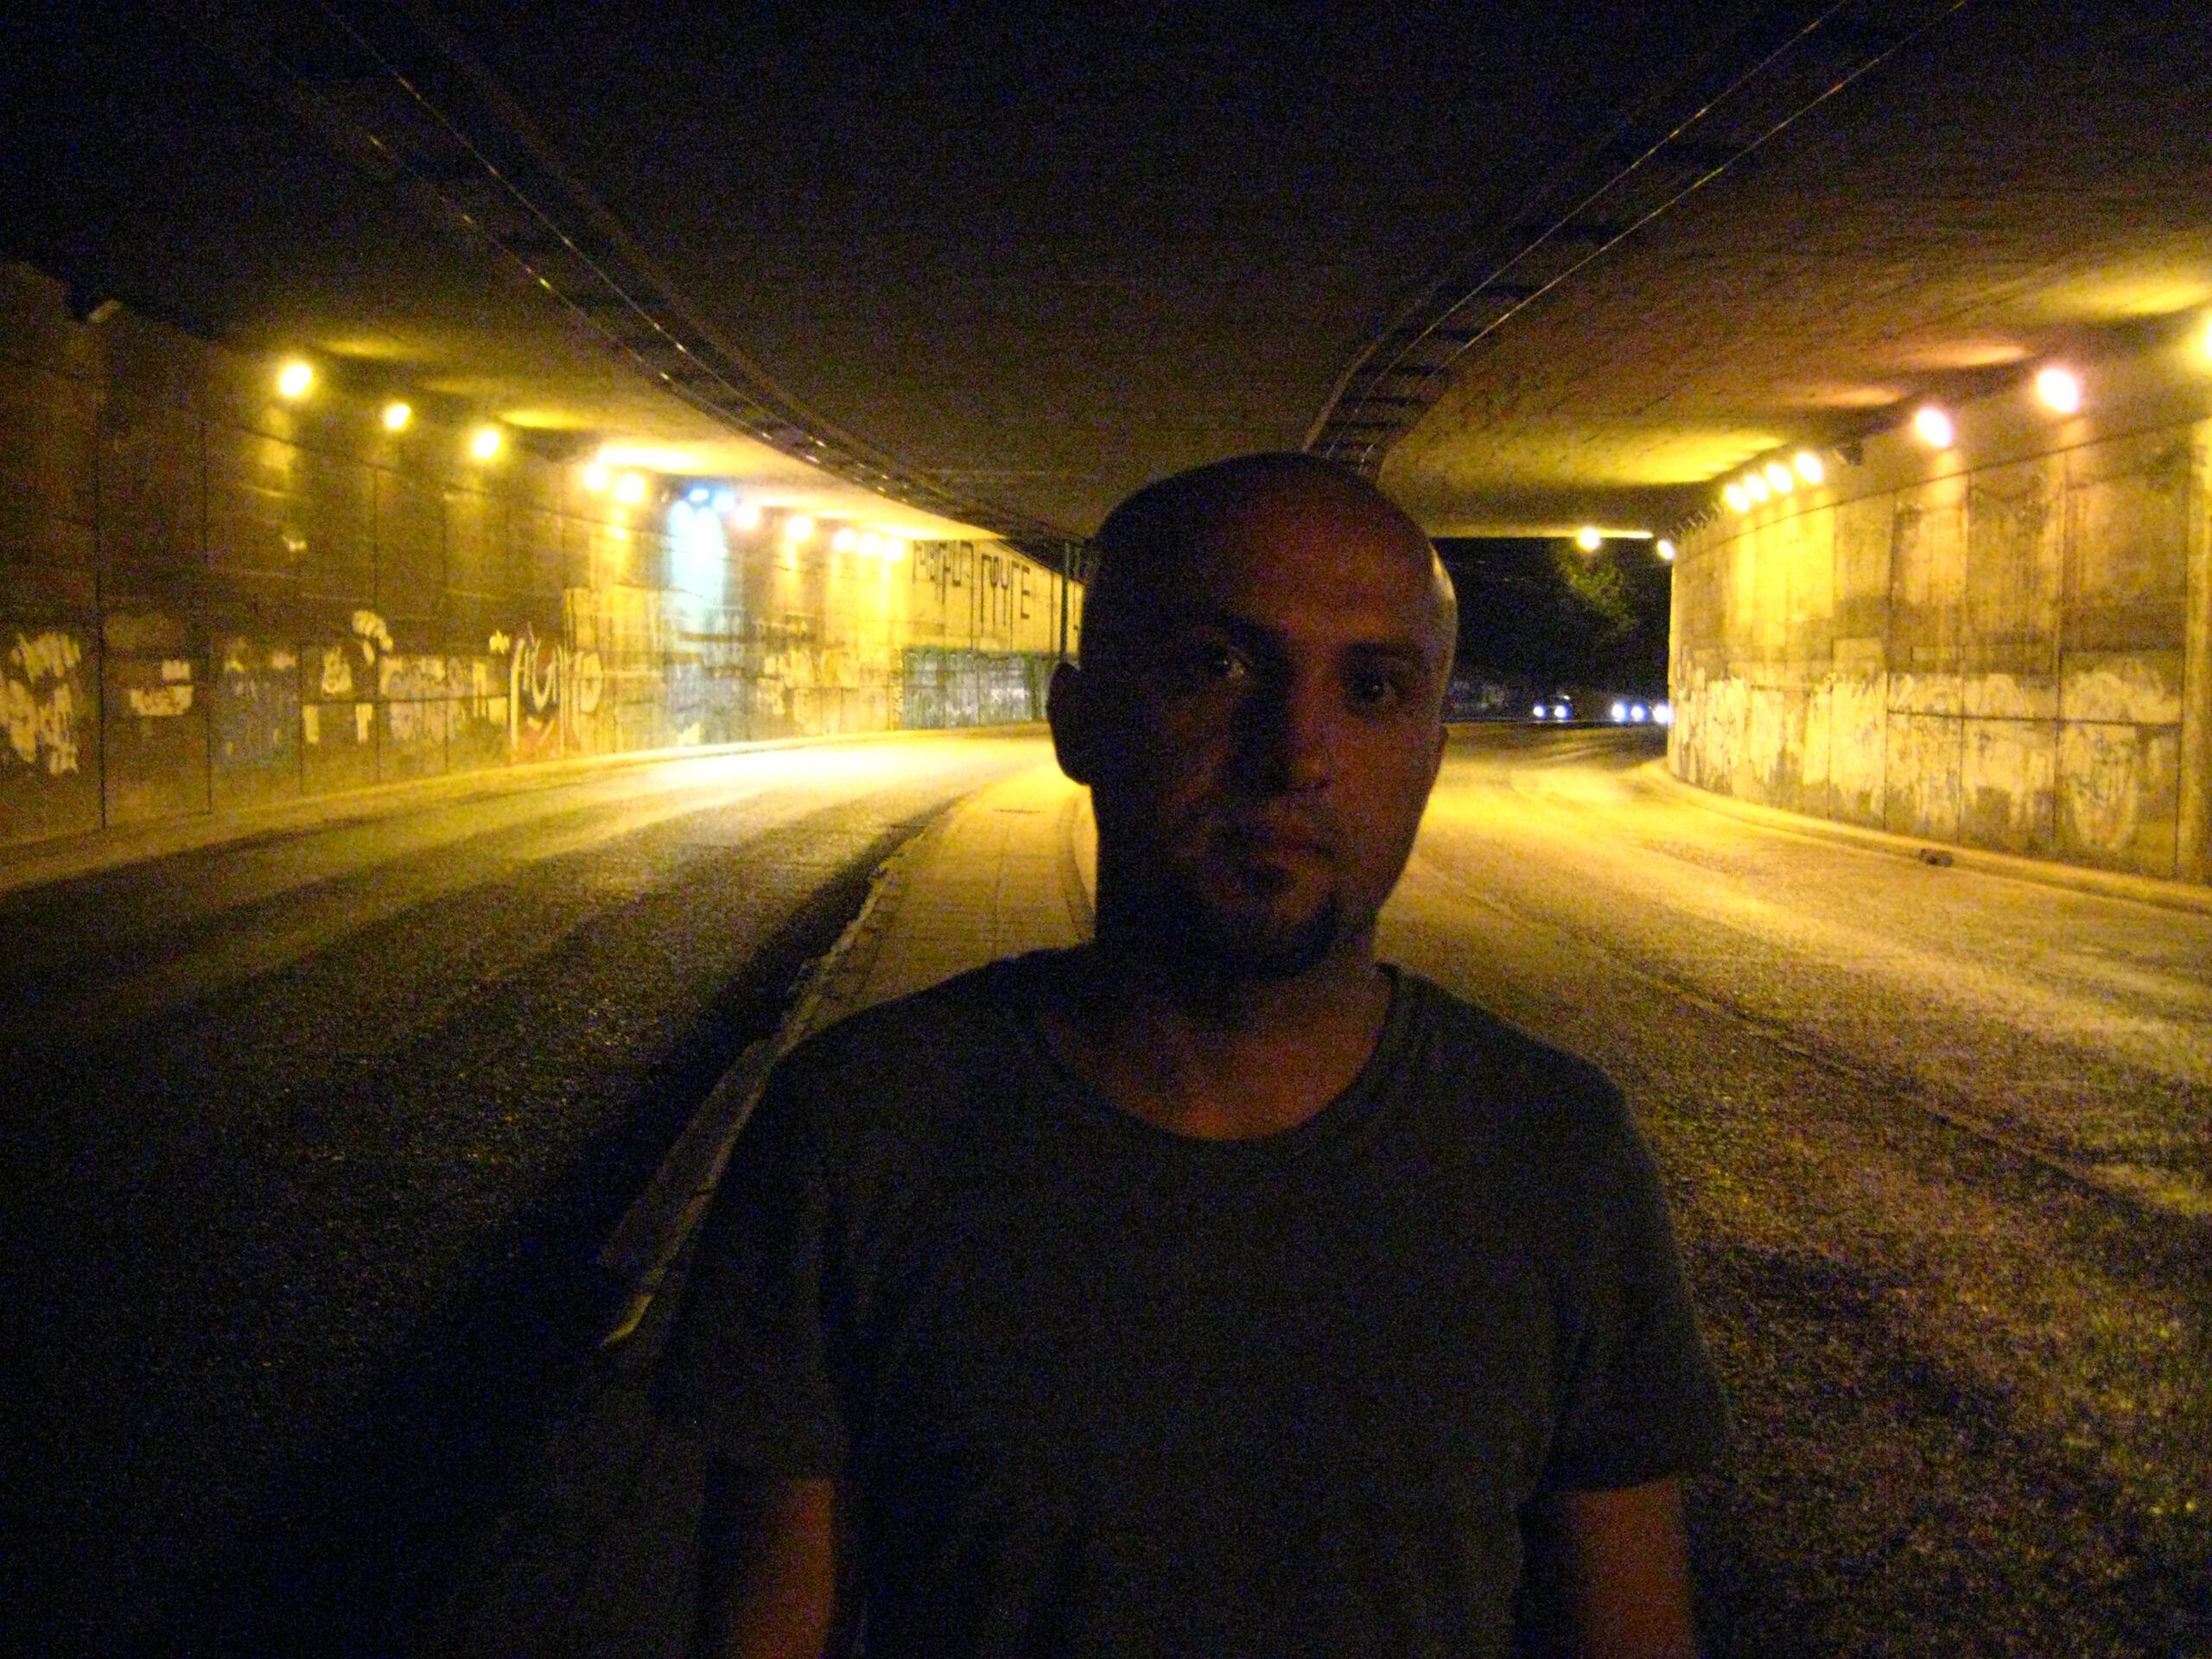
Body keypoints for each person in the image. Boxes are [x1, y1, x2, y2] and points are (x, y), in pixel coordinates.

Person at [656, 453, 1727, 1658]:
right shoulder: (859, 1131)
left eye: (1373, 689)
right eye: (1214, 668)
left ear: (1431, 749)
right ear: (1079, 722)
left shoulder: (1555, 1155)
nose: (1295, 753)